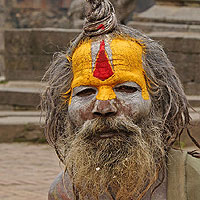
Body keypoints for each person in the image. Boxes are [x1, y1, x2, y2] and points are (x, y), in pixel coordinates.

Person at [41, 0, 200, 199]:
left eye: (125, 88)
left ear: (159, 102)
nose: (104, 106)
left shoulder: (193, 181)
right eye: (85, 92)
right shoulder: (64, 192)